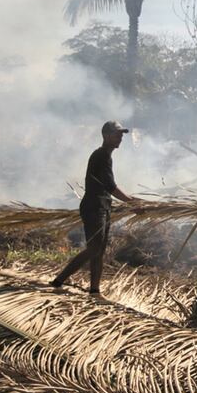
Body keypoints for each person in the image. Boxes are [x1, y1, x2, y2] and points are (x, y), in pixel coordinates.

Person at [51, 120, 141, 296]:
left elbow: (109, 186)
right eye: (117, 135)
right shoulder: (101, 156)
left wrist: (131, 199)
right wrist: (131, 203)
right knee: (94, 248)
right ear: (106, 136)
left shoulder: (106, 156)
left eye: (121, 135)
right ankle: (59, 280)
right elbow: (111, 186)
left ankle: (94, 290)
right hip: (94, 207)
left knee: (99, 250)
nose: (120, 138)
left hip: (103, 206)